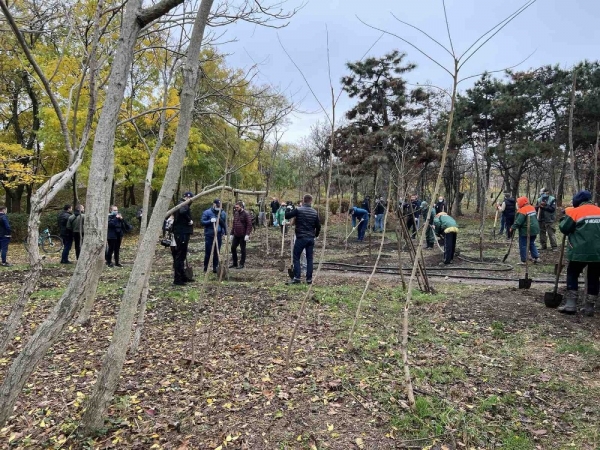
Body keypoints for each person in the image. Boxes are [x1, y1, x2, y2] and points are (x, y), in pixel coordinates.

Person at [557, 190, 600, 315]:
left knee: (572, 273)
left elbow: (564, 228)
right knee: (594, 277)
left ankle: (571, 305)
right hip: (598, 253)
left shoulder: (575, 212)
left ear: (578, 201)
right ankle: (590, 307)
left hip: (579, 251)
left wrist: (564, 218)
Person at [285, 194, 321, 285]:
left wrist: (288, 208)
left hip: (301, 238)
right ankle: (309, 279)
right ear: (311, 201)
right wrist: (315, 235)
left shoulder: (298, 210)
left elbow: (287, 216)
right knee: (309, 259)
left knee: (296, 257)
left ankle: (297, 277)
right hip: (310, 239)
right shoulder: (314, 212)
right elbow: (318, 226)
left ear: (303, 200)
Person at [172, 192, 194, 285]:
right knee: (180, 256)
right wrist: (189, 220)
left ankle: (182, 276)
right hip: (182, 233)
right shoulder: (182, 204)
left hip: (181, 232)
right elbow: (182, 212)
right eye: (188, 198)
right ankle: (177, 279)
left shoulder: (181, 204)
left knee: (181, 256)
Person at [511, 196, 540, 265]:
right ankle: (536, 257)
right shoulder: (532, 207)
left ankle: (524, 260)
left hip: (526, 230)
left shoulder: (522, 210)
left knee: (523, 245)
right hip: (535, 229)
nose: (517, 204)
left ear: (522, 202)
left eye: (518, 202)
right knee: (531, 243)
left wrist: (512, 227)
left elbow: (519, 221)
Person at [201, 199, 227, 274]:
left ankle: (215, 267)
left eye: (220, 206)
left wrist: (224, 232)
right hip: (209, 234)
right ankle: (206, 267)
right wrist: (210, 221)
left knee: (217, 251)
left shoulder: (223, 213)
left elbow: (224, 224)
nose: (219, 207)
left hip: (218, 234)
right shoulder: (207, 212)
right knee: (208, 252)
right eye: (218, 206)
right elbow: (202, 222)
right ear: (214, 204)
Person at [230, 201, 252, 269]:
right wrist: (231, 233)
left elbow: (249, 224)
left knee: (242, 250)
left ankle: (241, 264)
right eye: (235, 207)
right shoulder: (236, 213)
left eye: (237, 207)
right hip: (236, 234)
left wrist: (247, 234)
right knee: (233, 248)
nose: (236, 208)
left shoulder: (246, 214)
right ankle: (235, 263)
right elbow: (234, 224)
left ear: (241, 207)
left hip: (243, 235)